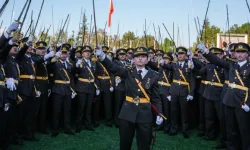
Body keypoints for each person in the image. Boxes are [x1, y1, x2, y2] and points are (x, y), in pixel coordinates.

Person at [96, 46, 163, 150]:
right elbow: (113, 67)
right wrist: (102, 56)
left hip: (145, 113)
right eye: (137, 57)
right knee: (125, 143)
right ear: (133, 59)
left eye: (143, 56)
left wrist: (159, 113)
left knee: (144, 144)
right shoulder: (127, 71)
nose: (140, 59)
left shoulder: (154, 75)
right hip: (127, 112)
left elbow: (156, 97)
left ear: (147, 59)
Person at [198, 42, 250, 150]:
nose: (239, 54)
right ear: (234, 53)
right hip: (229, 100)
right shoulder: (231, 64)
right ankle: (231, 147)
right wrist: (206, 51)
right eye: (237, 52)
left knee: (244, 129)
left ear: (247, 54)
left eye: (242, 52)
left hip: (242, 102)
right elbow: (217, 60)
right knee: (230, 129)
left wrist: (248, 104)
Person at [160, 47, 196, 138]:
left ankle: (185, 130)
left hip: (184, 92)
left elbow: (192, 81)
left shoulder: (189, 65)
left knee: (184, 112)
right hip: (174, 91)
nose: (180, 56)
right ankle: (173, 129)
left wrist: (191, 93)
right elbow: (165, 65)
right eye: (178, 54)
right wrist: (161, 62)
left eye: (182, 54)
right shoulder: (174, 65)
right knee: (173, 112)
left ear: (185, 55)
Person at [49, 43, 76, 137]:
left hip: (68, 90)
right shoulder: (55, 63)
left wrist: (73, 90)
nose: (64, 55)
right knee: (56, 110)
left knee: (67, 110)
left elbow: (71, 78)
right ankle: (55, 129)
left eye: (65, 53)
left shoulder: (69, 65)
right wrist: (54, 58)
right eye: (62, 53)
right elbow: (49, 66)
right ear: (59, 54)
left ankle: (67, 128)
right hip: (58, 89)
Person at [199, 48, 225, 141]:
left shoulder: (224, 65)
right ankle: (209, 134)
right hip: (208, 93)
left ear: (222, 55)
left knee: (221, 118)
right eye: (214, 54)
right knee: (209, 116)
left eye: (217, 54)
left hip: (219, 94)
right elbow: (200, 72)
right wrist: (205, 62)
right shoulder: (209, 65)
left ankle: (222, 138)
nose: (215, 56)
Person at [74, 45, 99, 132]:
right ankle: (78, 125)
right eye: (85, 52)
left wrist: (97, 86)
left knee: (89, 107)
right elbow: (74, 72)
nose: (87, 53)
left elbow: (95, 75)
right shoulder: (78, 61)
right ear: (82, 53)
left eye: (89, 51)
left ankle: (88, 124)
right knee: (81, 107)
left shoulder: (93, 62)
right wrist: (76, 66)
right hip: (81, 87)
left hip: (91, 87)